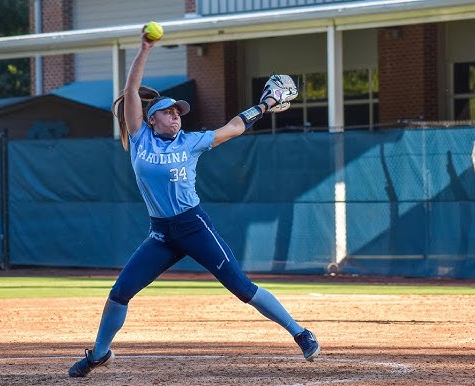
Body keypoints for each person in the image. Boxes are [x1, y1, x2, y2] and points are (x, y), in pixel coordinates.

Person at [68, 27, 320, 378]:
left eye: (178, 112)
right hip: (161, 235)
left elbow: (232, 127)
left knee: (243, 289)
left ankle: (301, 334)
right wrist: (144, 50)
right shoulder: (141, 140)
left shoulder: (192, 141)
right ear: (150, 118)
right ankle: (98, 353)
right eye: (168, 112)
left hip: (193, 225)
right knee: (119, 293)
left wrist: (264, 104)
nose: (175, 116)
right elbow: (130, 91)